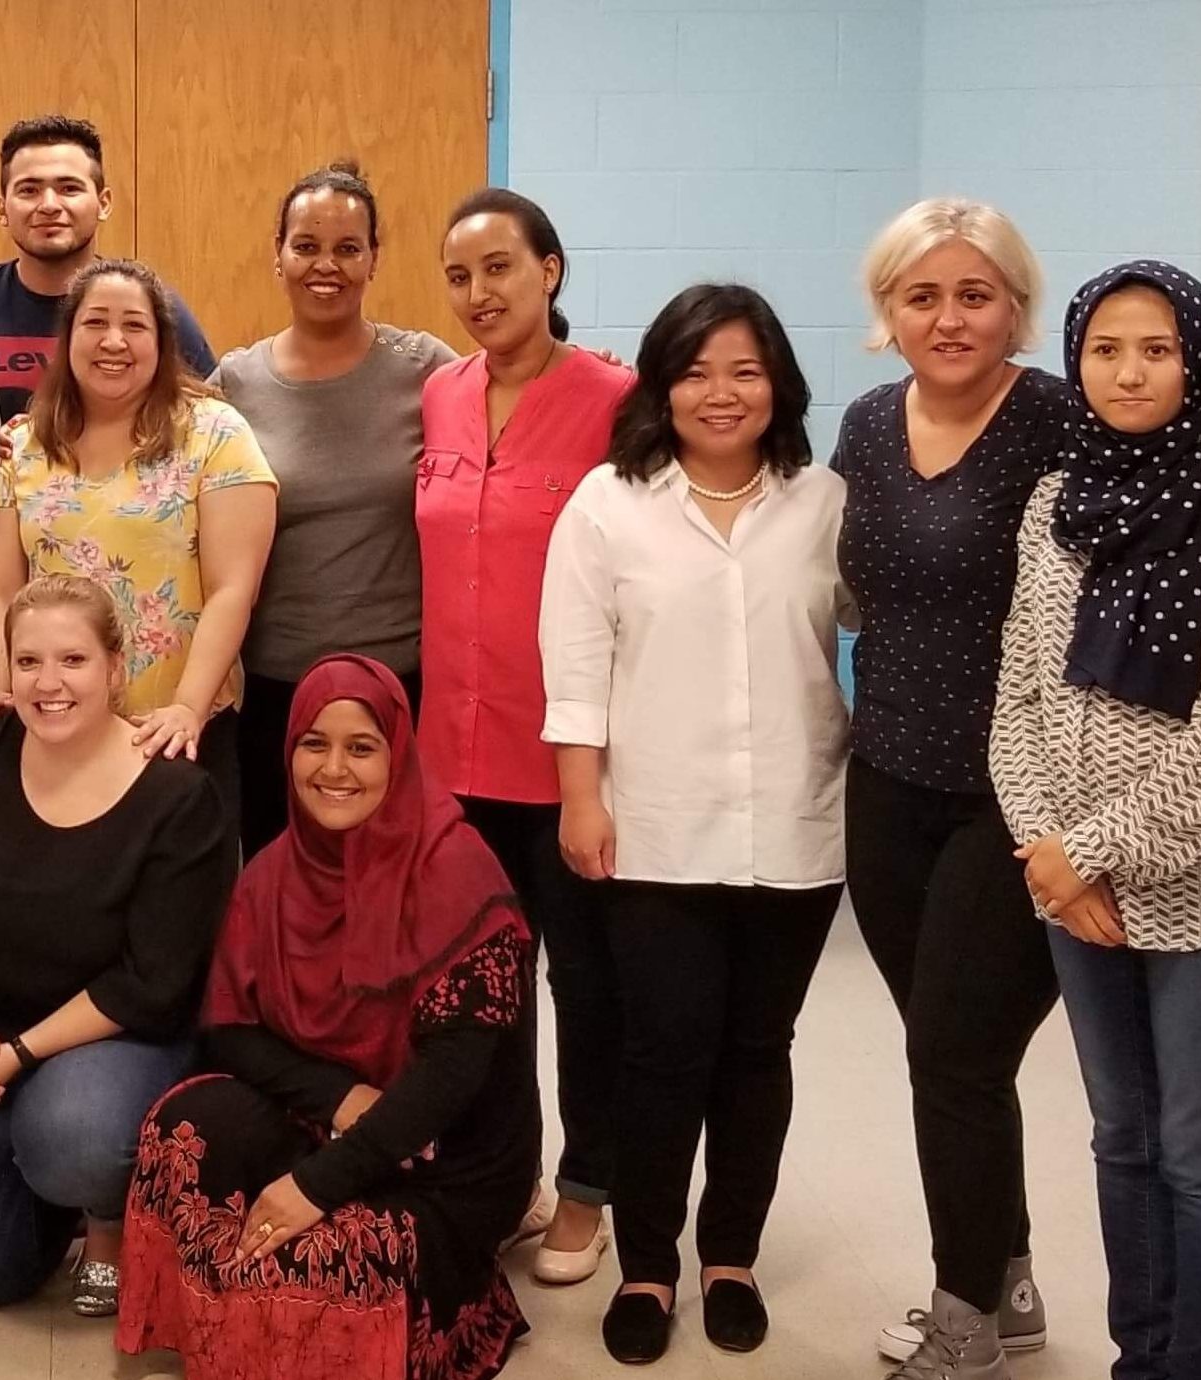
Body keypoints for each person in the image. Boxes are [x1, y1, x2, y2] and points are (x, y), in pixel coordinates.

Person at [985, 263, 1201, 1380]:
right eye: (1105, 348)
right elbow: (1018, 693)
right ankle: (1139, 1358)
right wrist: (1047, 857)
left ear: (1199, 361)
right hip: (1071, 885)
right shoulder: (1051, 502)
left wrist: (1089, 852)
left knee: (1199, 1151)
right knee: (1122, 1139)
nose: (1127, 370)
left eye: (1156, 349)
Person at [539, 283, 848, 1362]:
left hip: (797, 828)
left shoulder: (824, 502)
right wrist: (583, 797)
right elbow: (574, 667)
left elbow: (895, 616)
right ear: (660, 384)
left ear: (780, 386)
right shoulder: (607, 504)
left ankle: (731, 1257)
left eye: (746, 370)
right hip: (652, 830)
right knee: (664, 1051)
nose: (721, 393)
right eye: (696, 370)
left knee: (758, 1050)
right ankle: (648, 1266)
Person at [119, 655, 538, 1380]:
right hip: (334, 1117)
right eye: (314, 743)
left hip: (448, 1157)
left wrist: (317, 1186)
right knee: (178, 1128)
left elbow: (450, 1083)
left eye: (361, 746)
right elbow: (230, 1031)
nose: (334, 769)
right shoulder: (274, 875)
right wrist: (339, 1101)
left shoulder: (458, 876)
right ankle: (235, 1316)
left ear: (398, 754)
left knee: (322, 1270)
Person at [832, 196, 1070, 1380]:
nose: (950, 317)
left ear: (1017, 306)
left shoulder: (1061, 424)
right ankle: (1009, 1276)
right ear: (888, 311)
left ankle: (965, 1313)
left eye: (976, 293)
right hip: (886, 778)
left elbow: (1180, 466)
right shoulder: (869, 426)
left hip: (1015, 799)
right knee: (945, 1047)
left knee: (957, 1058)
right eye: (922, 294)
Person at [0, 575, 241, 1316]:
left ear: (116, 668)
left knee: (71, 1138)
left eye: (72, 661)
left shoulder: (177, 795)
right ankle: (42, 1179)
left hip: (116, 1038)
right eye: (28, 662)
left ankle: (108, 1214)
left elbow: (152, 981)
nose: (48, 685)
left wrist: (14, 1057)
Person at [418, 186, 634, 1286]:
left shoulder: (617, 398)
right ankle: (507, 1174)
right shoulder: (440, 394)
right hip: (449, 760)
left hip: (567, 761)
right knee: (476, 992)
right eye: (458, 276)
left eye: (499, 267)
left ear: (549, 270)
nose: (478, 294)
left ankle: (591, 1186)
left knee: (584, 985)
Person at [0, 259, 278, 809]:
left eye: (134, 325)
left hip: (175, 736)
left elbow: (234, 588)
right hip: (55, 731)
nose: (114, 341)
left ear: (162, 340)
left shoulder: (215, 433)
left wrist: (187, 708)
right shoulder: (25, 442)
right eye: (95, 323)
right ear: (68, 339)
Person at [213, 162, 457, 851]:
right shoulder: (234, 381)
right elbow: (155, 473)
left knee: (393, 892)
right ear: (278, 255)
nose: (327, 265)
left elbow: (513, 423)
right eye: (307, 245)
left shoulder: (427, 368)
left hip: (399, 688)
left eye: (348, 248)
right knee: (281, 890)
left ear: (374, 259)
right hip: (275, 691)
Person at [0, 115, 218, 421]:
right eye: (28, 190)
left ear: (104, 203)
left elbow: (206, 421)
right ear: (2, 209)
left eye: (69, 188)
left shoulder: (152, 307)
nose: (48, 204)